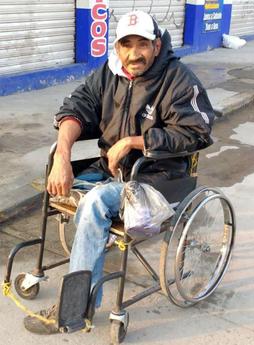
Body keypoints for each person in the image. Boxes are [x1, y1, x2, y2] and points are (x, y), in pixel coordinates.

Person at [24, 10, 214, 334]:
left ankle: (77, 306)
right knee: (59, 184)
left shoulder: (178, 79)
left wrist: (134, 141)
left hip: (159, 178)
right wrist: (63, 159)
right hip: (112, 171)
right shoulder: (109, 74)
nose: (133, 53)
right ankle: (78, 259)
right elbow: (75, 108)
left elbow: (199, 132)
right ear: (117, 48)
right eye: (126, 44)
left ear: (156, 46)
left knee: (95, 203)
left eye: (142, 44)